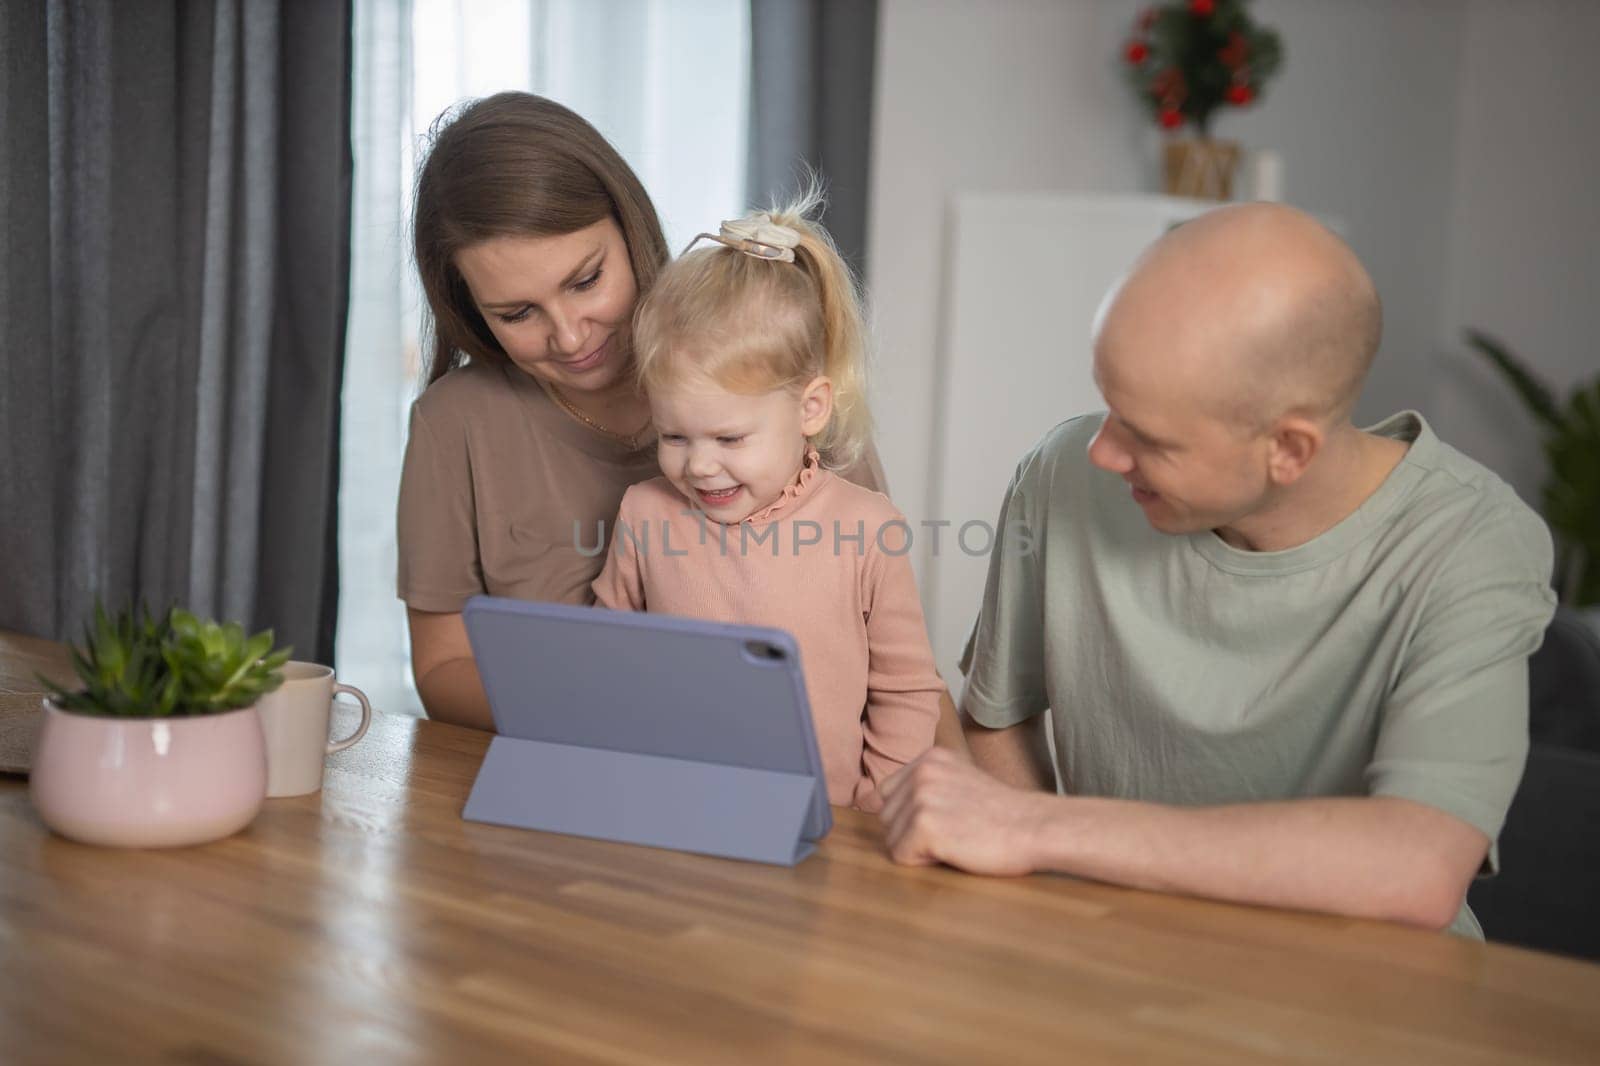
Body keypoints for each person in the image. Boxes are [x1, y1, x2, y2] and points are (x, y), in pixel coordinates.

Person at [878, 203, 1557, 936]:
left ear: (1289, 450)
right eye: (1108, 406)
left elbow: (1418, 865)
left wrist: (1038, 829)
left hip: (1367, 1003)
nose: (1103, 453)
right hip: (1112, 966)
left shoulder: (1472, 543)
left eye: (1149, 436)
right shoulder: (1060, 478)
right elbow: (996, 722)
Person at [394, 92, 892, 731]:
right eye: (517, 314)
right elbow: (442, 670)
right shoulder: (455, 424)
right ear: (468, 310)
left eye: (585, 281)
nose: (570, 337)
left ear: (628, 227)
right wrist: (615, 712)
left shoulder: (767, 358)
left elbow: (896, 660)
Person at [591, 196, 942, 810]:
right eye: (673, 436)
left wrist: (872, 806)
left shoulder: (865, 527)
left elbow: (907, 692)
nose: (698, 465)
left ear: (811, 408)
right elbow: (604, 655)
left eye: (729, 438)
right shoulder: (644, 513)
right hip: (668, 806)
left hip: (823, 824)